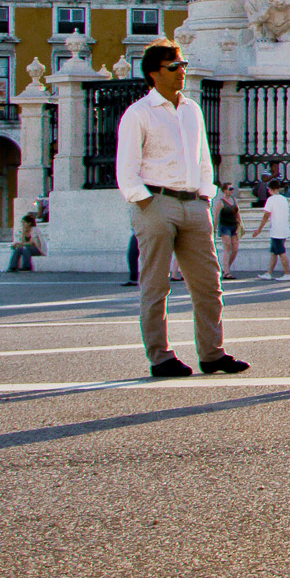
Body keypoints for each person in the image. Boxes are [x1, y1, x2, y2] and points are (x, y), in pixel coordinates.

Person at [115, 41, 249, 378]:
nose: (182, 71)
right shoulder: (138, 113)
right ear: (154, 73)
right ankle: (160, 357)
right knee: (156, 285)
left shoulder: (192, 109)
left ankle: (212, 354)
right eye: (174, 66)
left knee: (208, 283)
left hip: (193, 204)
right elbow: (125, 168)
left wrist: (206, 195)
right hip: (156, 203)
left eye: (183, 64)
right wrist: (146, 202)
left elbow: (203, 157)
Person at [252, 181, 290, 281]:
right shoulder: (284, 199)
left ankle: (287, 273)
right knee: (274, 252)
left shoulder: (271, 199)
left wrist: (259, 229)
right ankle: (269, 273)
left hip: (277, 230)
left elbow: (266, 215)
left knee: (281, 252)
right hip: (283, 228)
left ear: (270, 189)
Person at [214, 184, 242, 279]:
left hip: (234, 225)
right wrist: (214, 228)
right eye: (230, 189)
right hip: (225, 226)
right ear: (225, 190)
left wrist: (240, 224)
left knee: (235, 249)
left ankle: (226, 268)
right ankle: (227, 271)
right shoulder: (221, 202)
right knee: (227, 247)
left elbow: (237, 213)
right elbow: (217, 216)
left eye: (232, 189)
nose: (231, 191)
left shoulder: (234, 200)